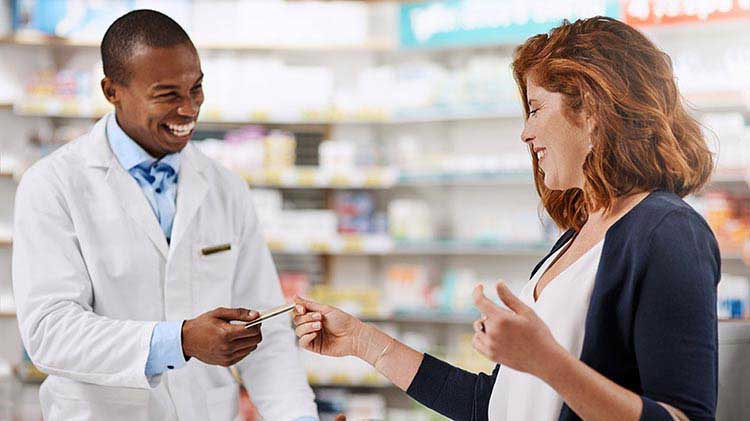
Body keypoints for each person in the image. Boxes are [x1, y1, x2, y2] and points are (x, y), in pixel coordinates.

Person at [293, 16, 719, 421]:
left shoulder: (668, 230)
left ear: (591, 110)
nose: (525, 132)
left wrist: (546, 361)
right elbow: (496, 407)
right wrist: (363, 341)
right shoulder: (578, 235)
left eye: (535, 109)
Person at [12, 10, 317, 421]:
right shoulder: (52, 185)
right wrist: (179, 341)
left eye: (196, 89)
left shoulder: (225, 187)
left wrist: (298, 417)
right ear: (112, 90)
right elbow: (50, 332)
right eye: (168, 95)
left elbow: (267, 332)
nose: (189, 109)